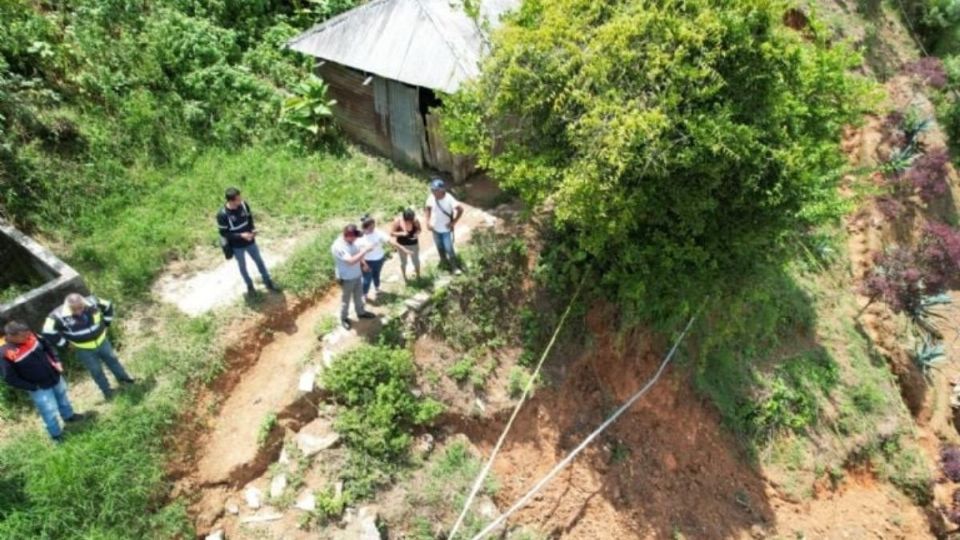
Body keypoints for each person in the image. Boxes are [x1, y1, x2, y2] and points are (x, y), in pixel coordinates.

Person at [1, 321, 85, 443]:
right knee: (48, 411)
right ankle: (56, 435)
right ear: (12, 336)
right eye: (23, 336)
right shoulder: (4, 353)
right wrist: (32, 387)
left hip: (54, 376)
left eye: (28, 334)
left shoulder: (31, 335)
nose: (27, 338)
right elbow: (10, 378)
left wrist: (56, 361)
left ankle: (69, 416)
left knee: (63, 397)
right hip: (39, 387)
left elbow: (48, 347)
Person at [42, 293, 134, 400]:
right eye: (74, 309)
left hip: (102, 341)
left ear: (83, 302)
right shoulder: (57, 315)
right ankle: (108, 392)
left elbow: (108, 305)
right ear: (67, 306)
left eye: (80, 307)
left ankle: (125, 380)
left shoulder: (93, 301)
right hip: (83, 349)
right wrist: (65, 344)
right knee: (96, 370)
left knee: (113, 360)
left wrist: (107, 324)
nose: (78, 311)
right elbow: (47, 331)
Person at [217, 187, 278, 296]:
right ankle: (249, 286)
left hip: (250, 241)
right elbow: (224, 233)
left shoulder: (244, 205)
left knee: (259, 261)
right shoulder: (222, 215)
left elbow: (249, 219)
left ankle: (267, 281)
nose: (240, 201)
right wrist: (241, 235)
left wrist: (252, 229)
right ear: (231, 201)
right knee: (242, 266)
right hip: (237, 246)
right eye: (238, 199)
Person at [331, 224, 377, 329]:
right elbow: (350, 261)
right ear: (347, 236)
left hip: (356, 275)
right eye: (354, 237)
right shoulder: (338, 246)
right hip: (346, 278)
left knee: (358, 296)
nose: (356, 239)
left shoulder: (352, 241)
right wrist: (365, 250)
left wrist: (364, 264)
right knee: (345, 300)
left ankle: (361, 312)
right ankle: (343, 318)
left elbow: (357, 254)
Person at [358, 215, 410, 301]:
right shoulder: (360, 238)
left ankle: (377, 288)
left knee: (376, 275)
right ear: (364, 228)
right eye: (370, 228)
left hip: (379, 259)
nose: (373, 229)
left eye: (374, 226)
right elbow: (359, 253)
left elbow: (390, 241)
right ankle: (364, 294)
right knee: (366, 280)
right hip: (367, 261)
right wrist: (364, 264)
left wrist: (402, 248)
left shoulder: (378, 233)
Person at [424, 178, 464, 274]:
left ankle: (454, 267)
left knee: (449, 249)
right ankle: (443, 262)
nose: (433, 192)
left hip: (446, 230)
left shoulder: (449, 199)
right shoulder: (431, 197)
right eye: (432, 190)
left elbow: (460, 209)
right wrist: (427, 222)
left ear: (442, 190)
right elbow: (427, 208)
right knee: (439, 247)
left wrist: (454, 222)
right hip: (435, 229)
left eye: (435, 190)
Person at [391, 208, 422, 281]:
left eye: (410, 220)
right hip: (402, 245)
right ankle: (404, 277)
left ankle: (418, 276)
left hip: (413, 244)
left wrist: (416, 233)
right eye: (407, 221)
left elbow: (419, 229)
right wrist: (401, 233)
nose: (409, 222)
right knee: (403, 262)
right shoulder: (398, 221)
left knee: (416, 261)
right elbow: (392, 233)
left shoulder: (415, 221)